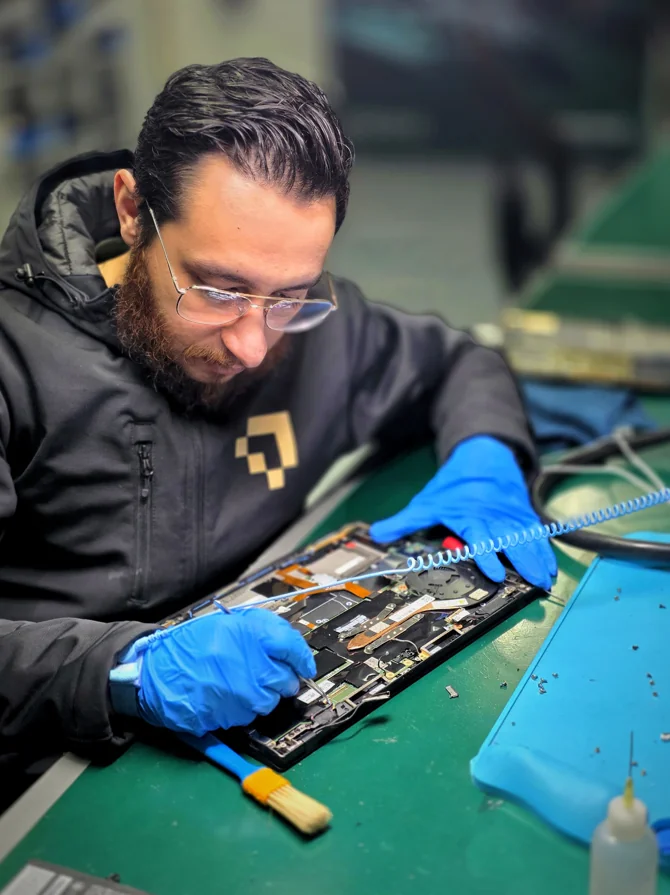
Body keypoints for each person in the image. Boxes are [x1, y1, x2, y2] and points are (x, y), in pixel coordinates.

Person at [0, 58, 556, 795]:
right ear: (133, 212)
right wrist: (119, 673)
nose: (254, 346)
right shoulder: (16, 363)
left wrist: (486, 457)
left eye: (289, 295)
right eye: (219, 289)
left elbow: (460, 362)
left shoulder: (314, 327)